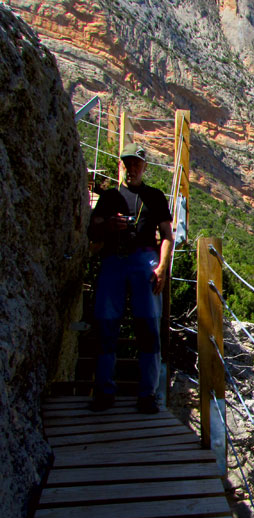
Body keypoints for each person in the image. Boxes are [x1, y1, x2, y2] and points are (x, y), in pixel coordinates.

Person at [87, 143, 173, 414]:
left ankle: (147, 395)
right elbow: (93, 229)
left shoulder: (155, 197)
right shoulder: (109, 197)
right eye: (127, 163)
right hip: (113, 260)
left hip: (144, 260)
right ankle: (104, 392)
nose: (132, 168)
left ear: (144, 167)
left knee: (148, 327)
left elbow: (168, 236)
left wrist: (162, 269)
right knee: (105, 326)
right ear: (121, 165)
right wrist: (107, 225)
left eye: (137, 164)